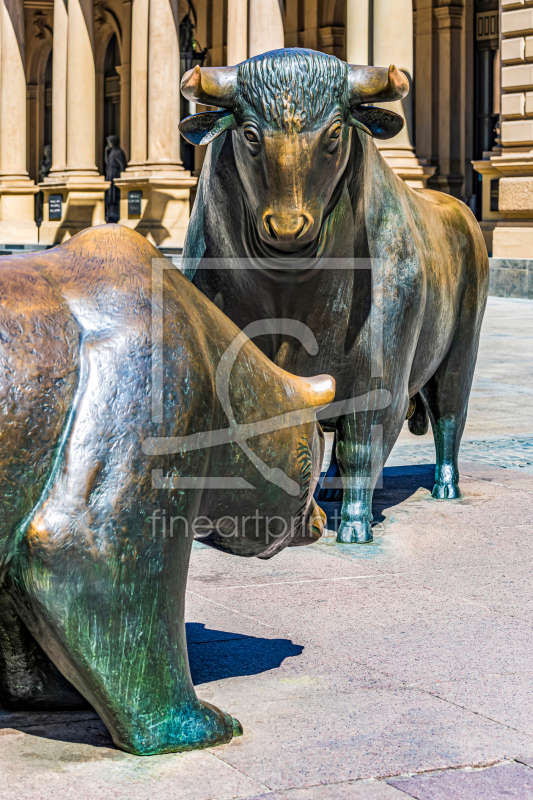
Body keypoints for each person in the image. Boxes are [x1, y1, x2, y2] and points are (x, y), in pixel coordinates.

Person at [104, 136, 127, 223]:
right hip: (110, 174)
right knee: (109, 194)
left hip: (115, 175)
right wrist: (106, 152)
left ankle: (114, 212)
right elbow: (108, 162)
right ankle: (110, 212)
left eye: (110, 142)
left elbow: (122, 165)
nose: (109, 144)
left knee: (114, 194)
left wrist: (121, 176)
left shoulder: (119, 152)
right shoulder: (113, 152)